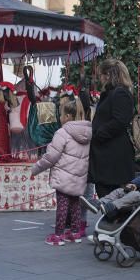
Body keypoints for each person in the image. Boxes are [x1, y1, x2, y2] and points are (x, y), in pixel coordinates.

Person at [31, 96, 91, 246]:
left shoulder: (62, 133)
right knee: (76, 204)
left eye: (61, 114)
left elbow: (51, 156)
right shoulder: (87, 133)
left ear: (68, 117)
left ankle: (58, 235)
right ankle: (75, 233)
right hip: (79, 176)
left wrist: (36, 168)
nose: (60, 117)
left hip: (63, 176)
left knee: (63, 206)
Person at [89, 58, 135, 198]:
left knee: (112, 197)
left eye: (101, 75)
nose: (100, 79)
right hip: (107, 154)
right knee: (106, 194)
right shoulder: (112, 93)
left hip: (114, 156)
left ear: (107, 75)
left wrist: (99, 133)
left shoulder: (120, 93)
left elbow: (120, 121)